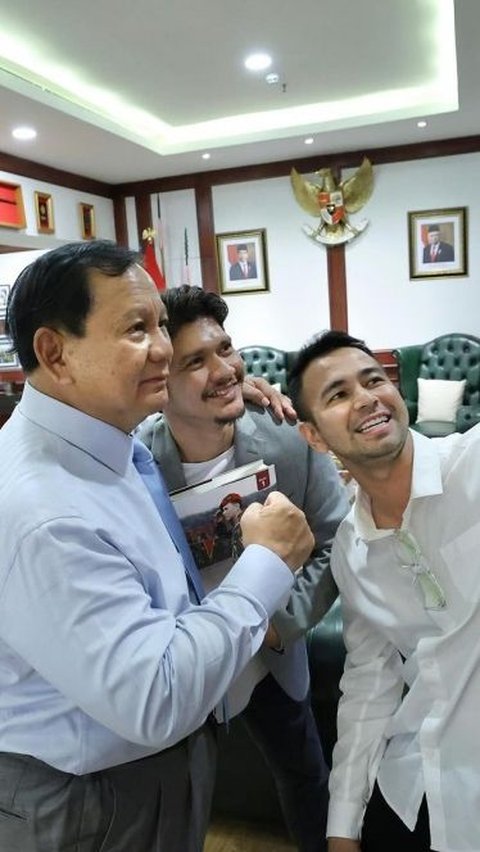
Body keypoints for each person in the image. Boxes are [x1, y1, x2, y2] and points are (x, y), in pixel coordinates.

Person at [0, 241, 315, 852]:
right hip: (93, 799)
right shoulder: (42, 512)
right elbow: (153, 696)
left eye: (162, 326)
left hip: (155, 769)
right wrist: (265, 564)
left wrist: (221, 397)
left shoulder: (111, 441)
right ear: (53, 352)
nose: (164, 349)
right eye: (136, 329)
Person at [138, 285, 350, 852]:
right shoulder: (137, 464)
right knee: (185, 791)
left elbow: (336, 537)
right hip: (188, 660)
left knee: (303, 771)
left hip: (273, 653)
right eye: (196, 362)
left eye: (226, 350)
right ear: (159, 384)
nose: (226, 370)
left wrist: (285, 622)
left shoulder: (286, 438)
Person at [288, 328, 480, 852]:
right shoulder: (352, 551)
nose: (366, 398)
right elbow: (369, 685)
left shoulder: (472, 465)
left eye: (374, 380)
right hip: (420, 775)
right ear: (314, 437)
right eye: (338, 394)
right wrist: (341, 826)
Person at [219, 492, 244, 558]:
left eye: (226, 509)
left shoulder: (245, 523)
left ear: (237, 506)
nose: (224, 513)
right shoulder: (236, 527)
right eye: (223, 510)